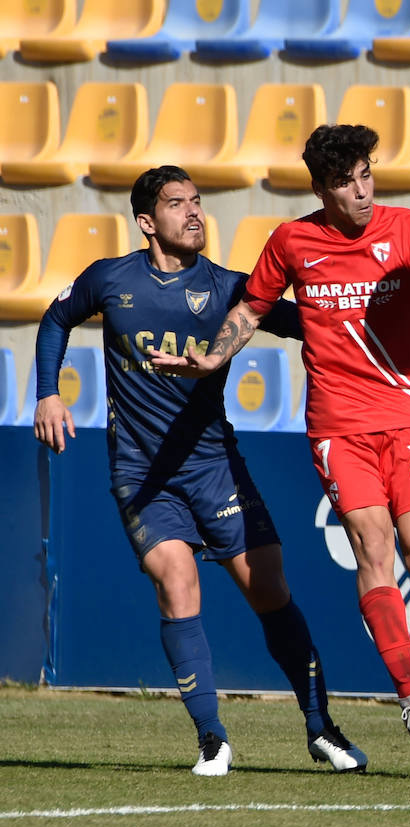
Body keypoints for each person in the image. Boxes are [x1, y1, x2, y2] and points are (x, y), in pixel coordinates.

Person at [149, 125, 410, 765]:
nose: (361, 191)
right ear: (321, 189)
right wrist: (208, 359)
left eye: (366, 175)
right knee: (372, 545)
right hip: (338, 427)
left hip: (409, 416)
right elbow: (249, 312)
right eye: (346, 181)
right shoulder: (293, 241)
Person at [33, 165, 367, 776]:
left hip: (215, 467)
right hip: (141, 470)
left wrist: (357, 314)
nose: (194, 213)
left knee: (269, 589)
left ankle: (321, 728)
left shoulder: (229, 289)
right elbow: (56, 319)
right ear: (146, 222)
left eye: (198, 201)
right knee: (176, 582)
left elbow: (306, 323)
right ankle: (212, 738)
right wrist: (47, 393)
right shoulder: (111, 279)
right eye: (177, 203)